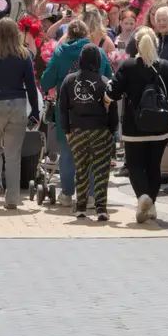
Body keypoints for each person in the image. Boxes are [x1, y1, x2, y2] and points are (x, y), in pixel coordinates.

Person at [109, 28, 168, 223]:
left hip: (134, 127)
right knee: (153, 166)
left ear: (136, 44)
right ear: (156, 44)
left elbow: (112, 93)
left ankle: (143, 196)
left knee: (135, 165)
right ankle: (151, 204)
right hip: (160, 127)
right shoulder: (166, 67)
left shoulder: (128, 66)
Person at [0, 18, 40, 209]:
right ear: (16, 34)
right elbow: (30, 86)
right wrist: (35, 111)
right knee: (13, 155)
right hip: (18, 105)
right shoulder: (24, 55)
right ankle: (12, 199)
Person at [57, 44, 116, 220]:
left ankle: (81, 207)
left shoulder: (69, 81)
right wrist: (111, 132)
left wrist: (67, 130)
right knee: (101, 171)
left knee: (81, 169)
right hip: (100, 131)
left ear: (81, 59)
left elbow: (62, 109)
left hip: (77, 131)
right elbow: (112, 111)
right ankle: (101, 209)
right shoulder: (105, 82)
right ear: (98, 60)